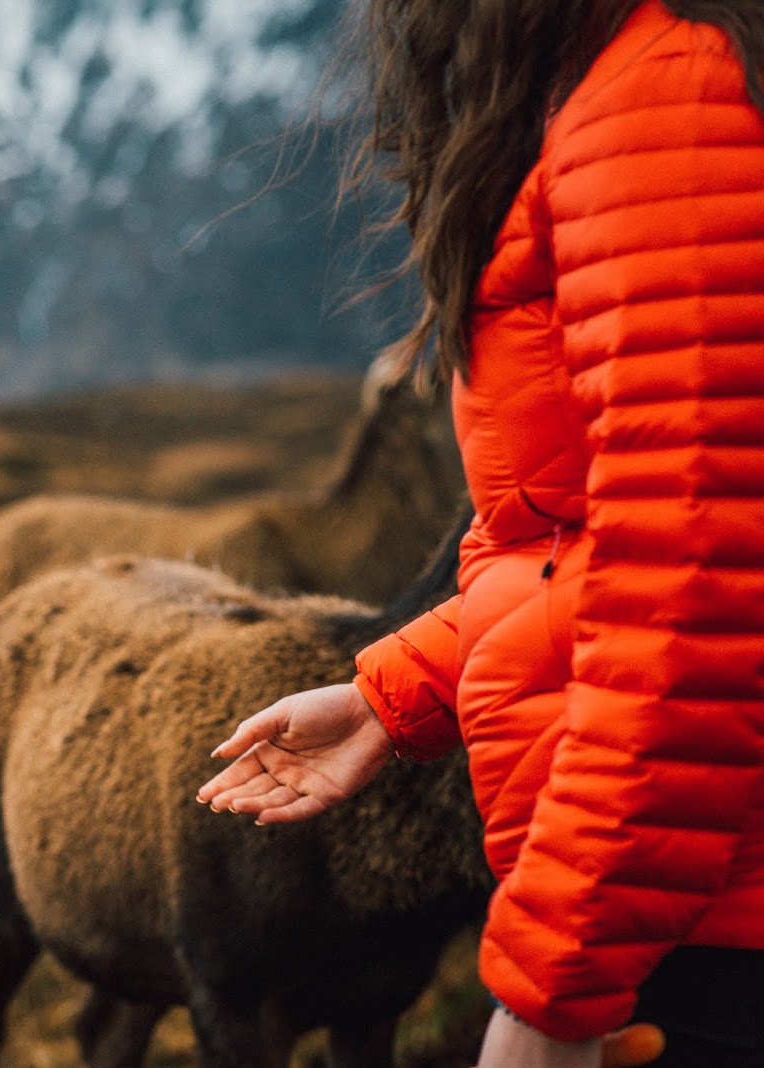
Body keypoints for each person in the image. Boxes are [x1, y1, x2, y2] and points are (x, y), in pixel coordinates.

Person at [196, 2, 764, 1066]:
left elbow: (696, 583)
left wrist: (556, 984)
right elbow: (638, 538)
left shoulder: (669, 90)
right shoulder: (635, 75)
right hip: (688, 889)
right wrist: (403, 688)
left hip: (709, 922)